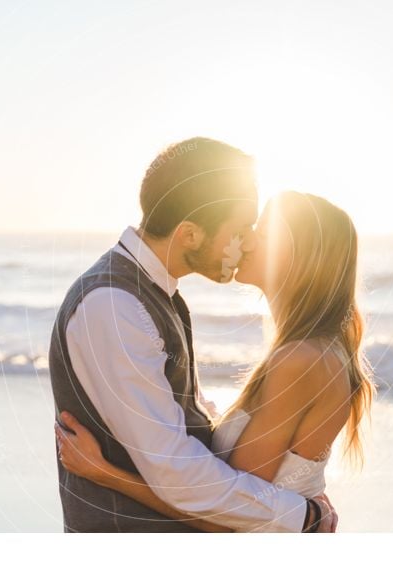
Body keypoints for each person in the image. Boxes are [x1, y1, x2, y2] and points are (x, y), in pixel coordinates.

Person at [49, 138, 346, 532]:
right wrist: (303, 516)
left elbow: (185, 422)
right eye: (240, 229)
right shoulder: (114, 306)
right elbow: (176, 473)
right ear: (189, 234)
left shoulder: (156, 297)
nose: (247, 242)